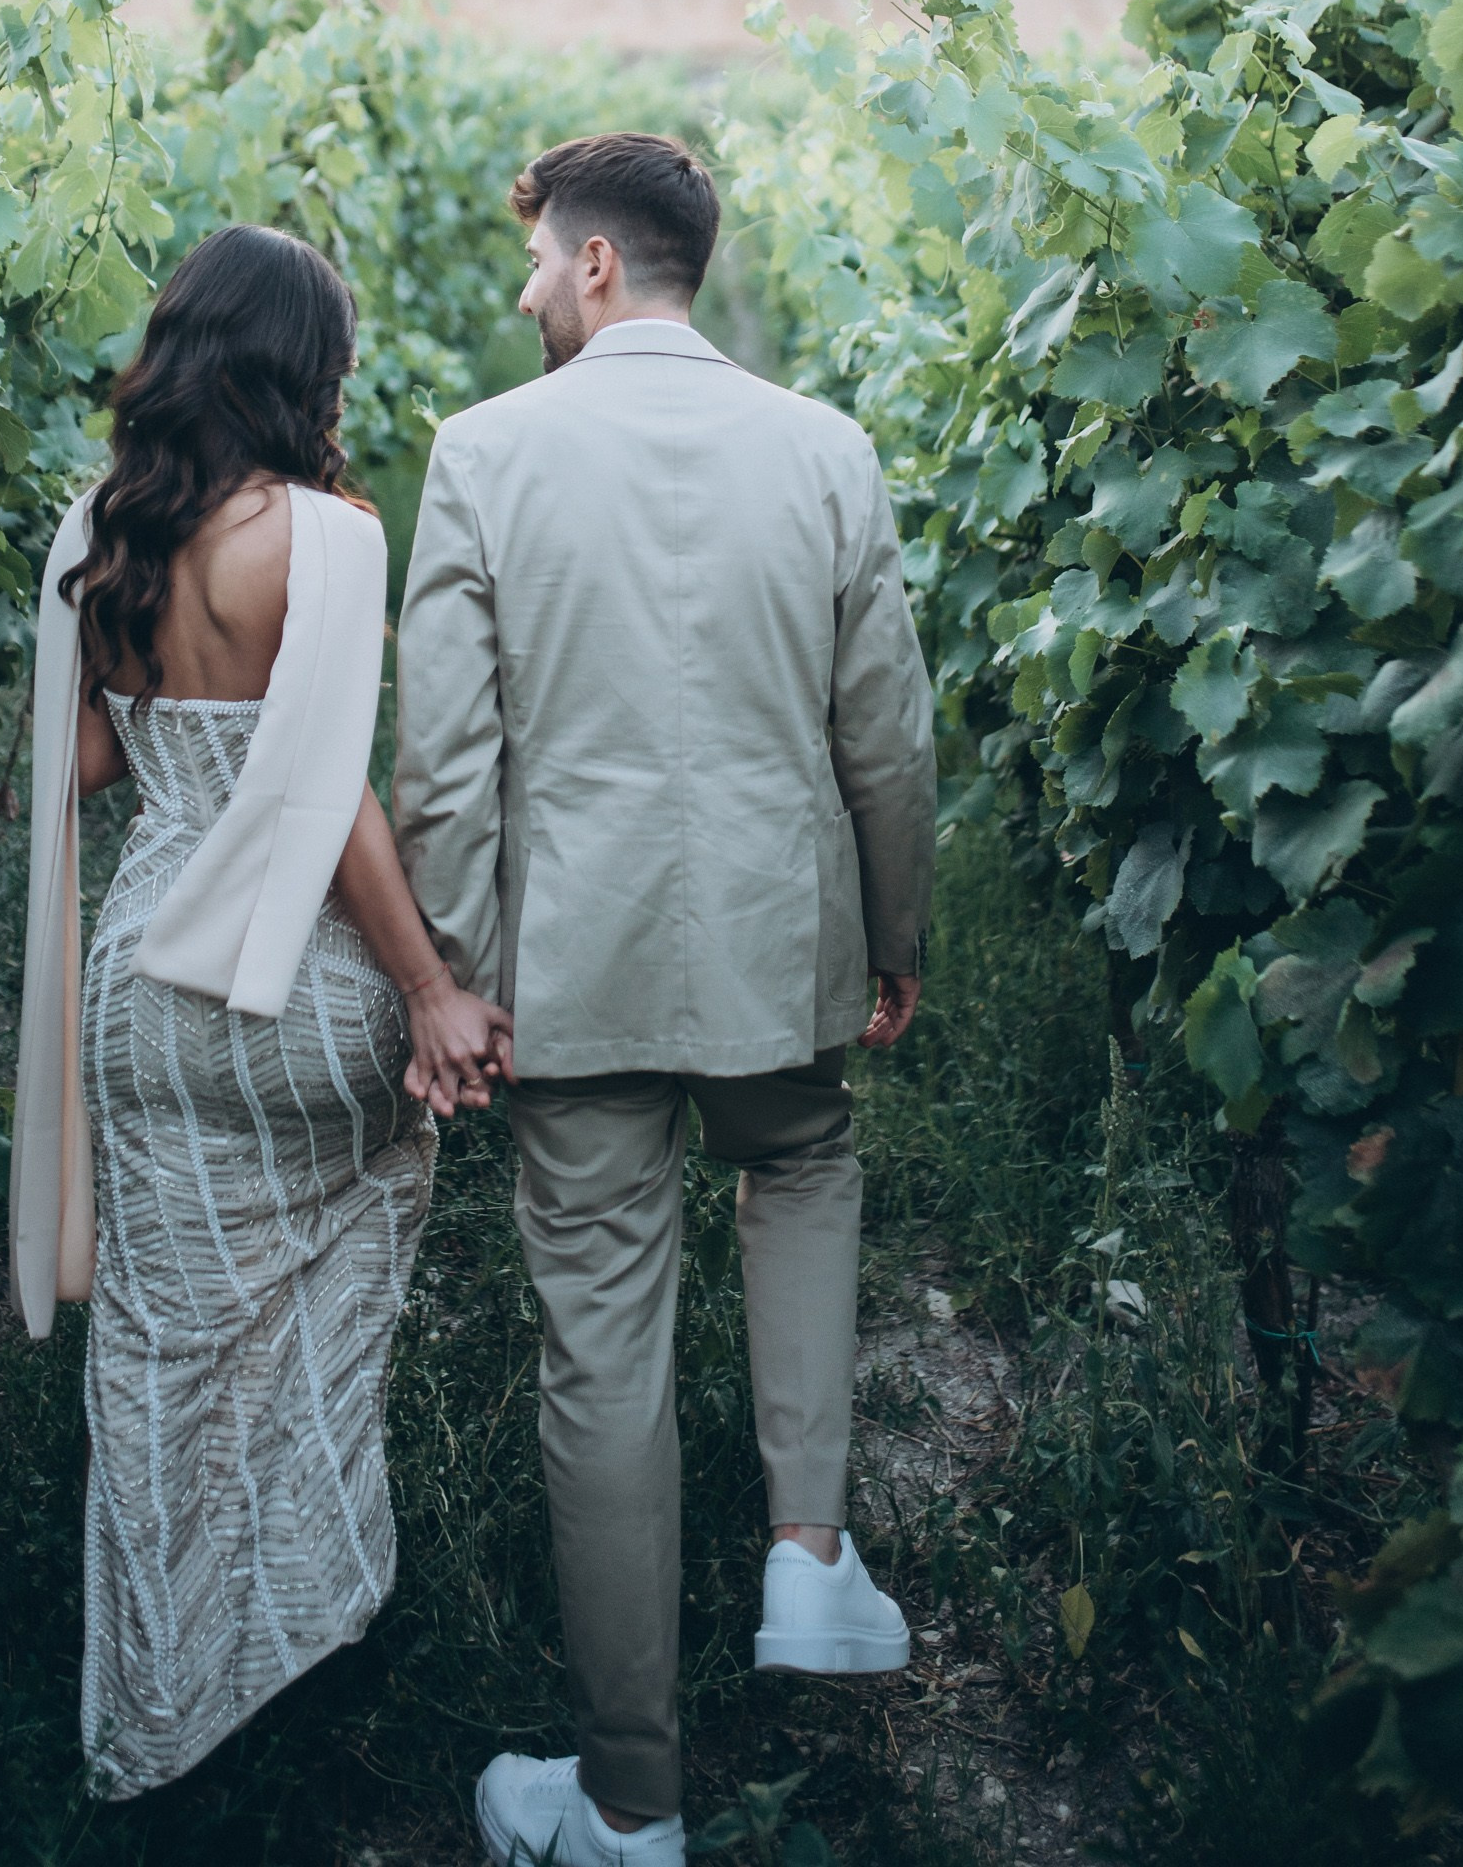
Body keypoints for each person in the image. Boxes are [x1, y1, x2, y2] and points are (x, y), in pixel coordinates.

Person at [393, 134, 936, 1867]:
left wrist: (454, 979)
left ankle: (631, 1800)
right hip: (782, 949)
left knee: (601, 1349)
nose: (526, 292)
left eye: (539, 261)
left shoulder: (483, 453)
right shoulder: (827, 448)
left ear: (599, 262)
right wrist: (897, 930)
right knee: (804, 1166)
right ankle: (811, 1555)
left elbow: (444, 765)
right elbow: (887, 735)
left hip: (575, 969)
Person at [8, 223, 509, 1799]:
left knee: (163, 1344)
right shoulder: (326, 537)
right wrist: (428, 988)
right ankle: (300, 1614)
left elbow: (89, 768)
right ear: (307, 368)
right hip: (298, 983)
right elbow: (325, 793)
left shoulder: (106, 531)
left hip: (144, 989)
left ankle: (156, 1705)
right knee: (331, 1269)